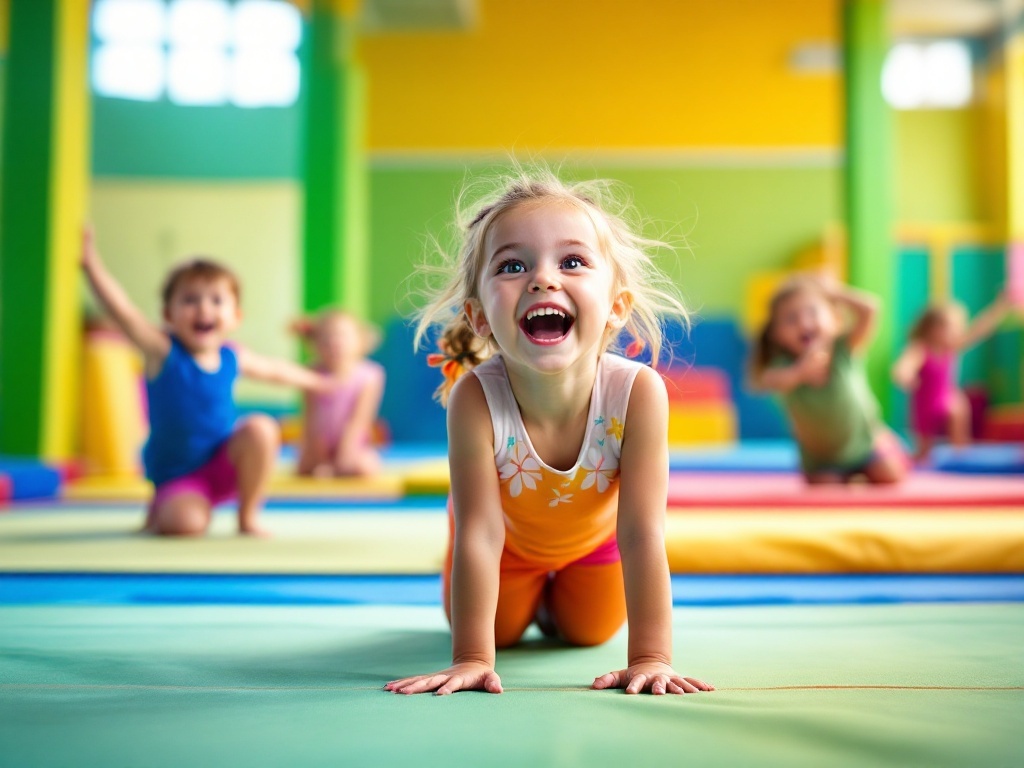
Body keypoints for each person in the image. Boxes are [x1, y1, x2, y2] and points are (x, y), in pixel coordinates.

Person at [385, 171, 714, 697]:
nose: (543, 279)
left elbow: (642, 531)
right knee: (502, 637)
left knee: (584, 634)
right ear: (479, 317)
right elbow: (481, 532)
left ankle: (555, 598)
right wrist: (471, 656)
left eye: (573, 261)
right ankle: (523, 597)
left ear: (615, 306)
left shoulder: (638, 393)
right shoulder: (475, 397)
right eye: (513, 265)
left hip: (594, 548)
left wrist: (652, 658)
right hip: (507, 550)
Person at [81, 227, 329, 536]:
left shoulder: (232, 356)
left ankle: (247, 516)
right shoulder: (163, 352)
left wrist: (320, 382)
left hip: (223, 465)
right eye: (190, 300)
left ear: (235, 316)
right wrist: (90, 265)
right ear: (167, 314)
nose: (204, 309)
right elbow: (124, 313)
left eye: (216, 300)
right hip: (179, 475)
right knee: (184, 526)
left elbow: (276, 370)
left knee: (262, 428)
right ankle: (164, 506)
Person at [751, 275, 906, 485]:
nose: (804, 323)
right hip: (823, 458)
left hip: (864, 444)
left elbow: (872, 309)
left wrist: (834, 292)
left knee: (890, 476)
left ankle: (885, 441)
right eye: (790, 319)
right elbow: (766, 381)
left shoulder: (844, 349)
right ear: (777, 334)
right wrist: (799, 372)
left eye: (813, 312)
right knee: (826, 491)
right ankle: (846, 475)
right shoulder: (785, 366)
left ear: (834, 319)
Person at [892, 294, 1012, 462]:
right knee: (924, 453)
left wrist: (999, 308)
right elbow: (903, 366)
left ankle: (960, 451)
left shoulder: (951, 347)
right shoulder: (920, 348)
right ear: (933, 328)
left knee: (957, 405)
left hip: (945, 397)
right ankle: (920, 457)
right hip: (925, 404)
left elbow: (978, 330)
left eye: (959, 327)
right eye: (952, 327)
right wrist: (905, 376)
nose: (958, 331)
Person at [292, 310, 386, 477]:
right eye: (326, 338)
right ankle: (325, 464)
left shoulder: (370, 375)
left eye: (342, 336)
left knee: (365, 467)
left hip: (354, 444)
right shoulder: (312, 374)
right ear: (315, 344)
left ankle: (339, 465)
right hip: (320, 443)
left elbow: (359, 420)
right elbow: (310, 419)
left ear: (360, 341)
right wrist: (317, 456)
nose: (334, 343)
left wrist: (344, 457)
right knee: (304, 467)